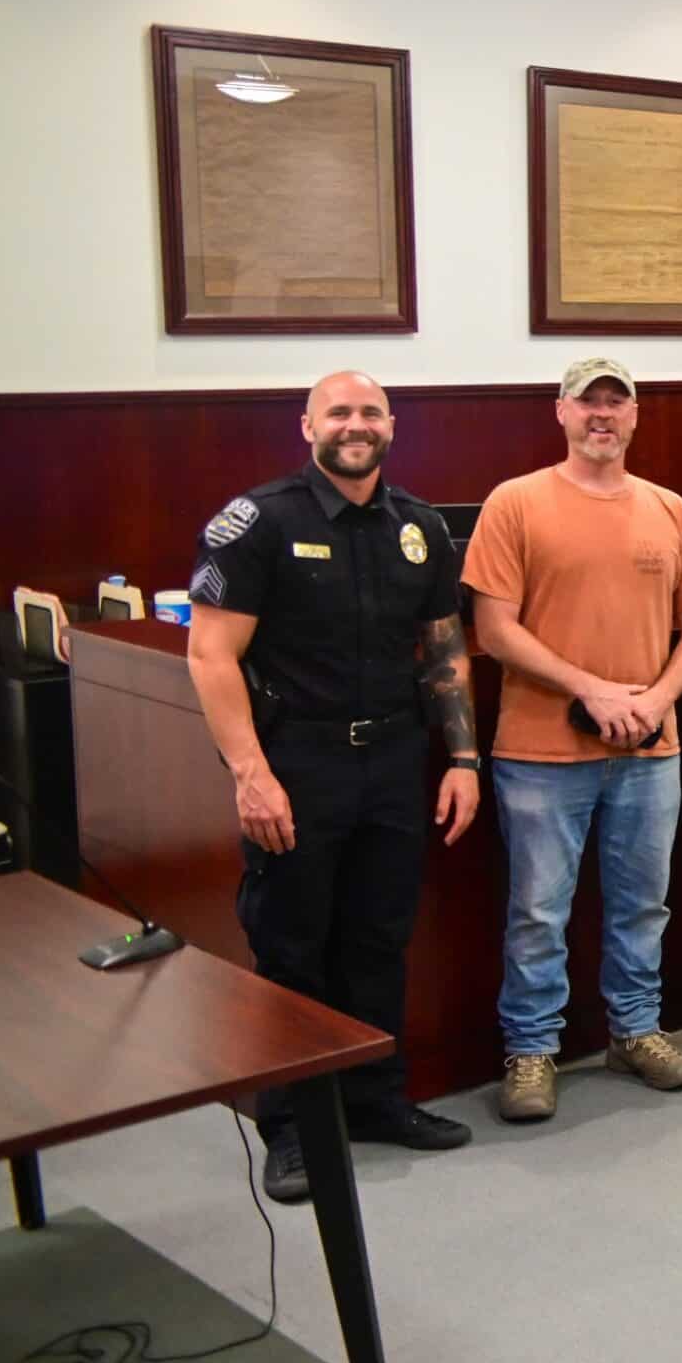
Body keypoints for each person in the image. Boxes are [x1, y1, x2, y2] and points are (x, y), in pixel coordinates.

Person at [184, 371, 480, 1201]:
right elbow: (211, 656)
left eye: (371, 413)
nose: (357, 426)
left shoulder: (418, 527)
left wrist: (462, 761)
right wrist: (251, 775)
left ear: (392, 425)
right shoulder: (259, 522)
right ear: (307, 424)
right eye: (340, 413)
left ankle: (376, 1097)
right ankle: (290, 1128)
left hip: (392, 761)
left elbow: (444, 650)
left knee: (380, 939)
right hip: (297, 767)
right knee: (290, 948)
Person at [467, 358, 682, 1122]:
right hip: (541, 753)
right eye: (588, 403)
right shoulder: (515, 503)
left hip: (650, 750)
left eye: (617, 402)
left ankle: (635, 1033)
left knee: (644, 906)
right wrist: (590, 688)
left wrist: (658, 700)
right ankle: (532, 1050)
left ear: (636, 415)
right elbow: (493, 628)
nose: (602, 415)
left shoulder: (670, 510)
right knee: (539, 911)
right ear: (561, 413)